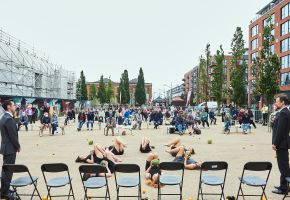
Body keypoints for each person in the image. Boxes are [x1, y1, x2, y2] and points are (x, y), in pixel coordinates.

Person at [0, 100, 21, 199]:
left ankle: (4, 189)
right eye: (13, 105)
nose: (15, 107)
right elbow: (13, 135)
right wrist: (18, 146)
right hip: (10, 148)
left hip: (6, 147)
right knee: (8, 171)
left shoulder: (4, 117)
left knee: (5, 170)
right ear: (9, 107)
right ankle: (4, 193)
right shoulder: (8, 119)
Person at [272, 94, 290, 195]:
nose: (276, 102)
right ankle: (285, 185)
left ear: (283, 102)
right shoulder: (284, 112)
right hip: (283, 143)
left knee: (283, 166)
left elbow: (280, 131)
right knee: (285, 166)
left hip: (281, 144)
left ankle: (284, 188)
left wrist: (275, 143)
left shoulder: (284, 113)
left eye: (277, 101)